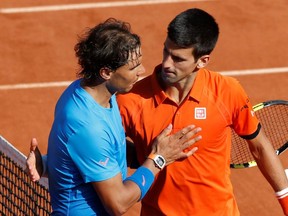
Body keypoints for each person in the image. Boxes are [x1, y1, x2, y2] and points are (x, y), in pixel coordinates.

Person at [27, 9, 288, 216]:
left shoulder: (227, 91)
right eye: (166, 50)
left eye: (178, 58)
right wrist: (159, 156)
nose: (165, 63)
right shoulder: (130, 98)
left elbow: (261, 147)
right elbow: (102, 152)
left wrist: (285, 201)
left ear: (203, 60)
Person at [27, 18, 203, 216]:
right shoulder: (87, 125)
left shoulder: (90, 94)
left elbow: (99, 151)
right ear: (106, 72)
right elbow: (118, 203)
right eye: (133, 67)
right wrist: (159, 159)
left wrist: (150, 151)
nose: (142, 71)